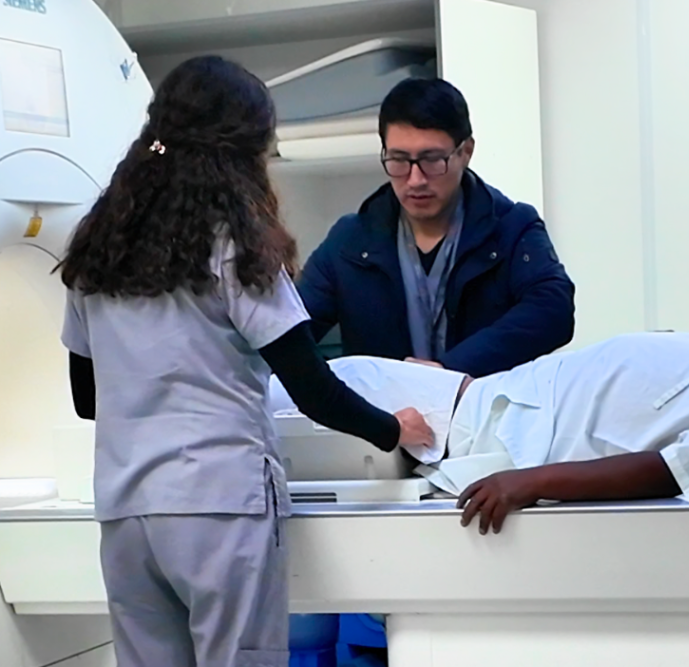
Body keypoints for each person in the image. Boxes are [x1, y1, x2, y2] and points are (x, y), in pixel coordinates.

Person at [54, 55, 434, 667]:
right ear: (244, 149)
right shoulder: (234, 243)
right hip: (220, 506)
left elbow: (86, 399)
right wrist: (395, 429)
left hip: (126, 513)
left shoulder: (96, 247)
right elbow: (312, 388)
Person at [269, 332, 689, 535]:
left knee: (273, 394)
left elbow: (671, 468)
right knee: (281, 384)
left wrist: (528, 482)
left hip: (469, 431)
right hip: (464, 395)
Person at [297, 77, 576, 378]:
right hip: (383, 408)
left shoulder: (512, 228)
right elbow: (290, 330)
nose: (415, 180)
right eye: (399, 160)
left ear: (465, 152)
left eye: (432, 160)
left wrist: (449, 371)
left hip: (483, 404)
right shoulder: (350, 242)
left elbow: (553, 310)